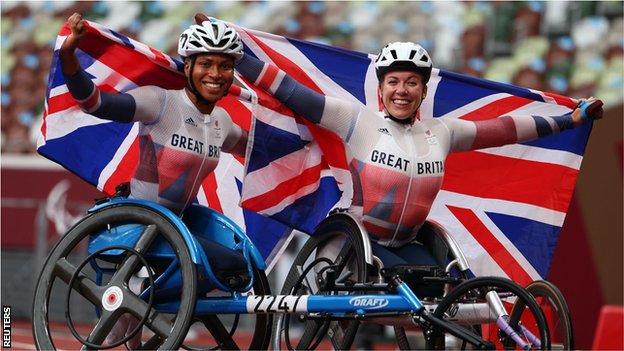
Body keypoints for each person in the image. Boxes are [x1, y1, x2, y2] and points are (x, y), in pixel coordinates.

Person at [229, 31, 601, 267]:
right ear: (381, 89)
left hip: (409, 246)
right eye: (393, 82)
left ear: (423, 91)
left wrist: (569, 121)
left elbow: (505, 129)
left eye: (411, 83)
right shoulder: (357, 120)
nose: (402, 90)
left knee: (456, 288)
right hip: (354, 245)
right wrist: (240, 59)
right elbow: (294, 93)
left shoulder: (442, 132)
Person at [59, 13, 250, 348]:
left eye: (225, 66)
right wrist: (69, 56)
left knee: (236, 263)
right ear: (187, 66)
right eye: (206, 63)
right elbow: (94, 103)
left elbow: (259, 149)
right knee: (118, 331)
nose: (216, 75)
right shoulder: (160, 101)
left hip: (179, 227)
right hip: (139, 224)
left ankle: (149, 311)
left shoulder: (222, 121)